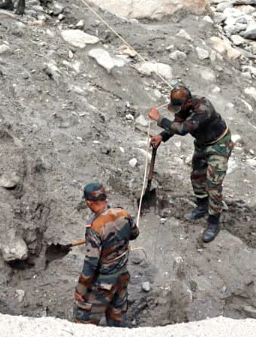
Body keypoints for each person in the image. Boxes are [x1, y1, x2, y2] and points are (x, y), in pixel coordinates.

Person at [148, 85, 233, 243]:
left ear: (188, 102)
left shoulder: (203, 109)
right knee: (197, 176)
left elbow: (183, 129)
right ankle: (202, 206)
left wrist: (159, 119)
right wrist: (162, 136)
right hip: (202, 143)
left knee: (213, 184)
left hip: (219, 144)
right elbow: (177, 122)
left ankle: (213, 222)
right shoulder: (183, 107)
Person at [73, 182, 138, 327]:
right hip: (122, 277)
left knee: (84, 322)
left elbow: (91, 263)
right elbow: (134, 234)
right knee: (117, 319)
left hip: (104, 283)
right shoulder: (123, 214)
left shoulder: (94, 227)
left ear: (89, 203)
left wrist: (80, 290)